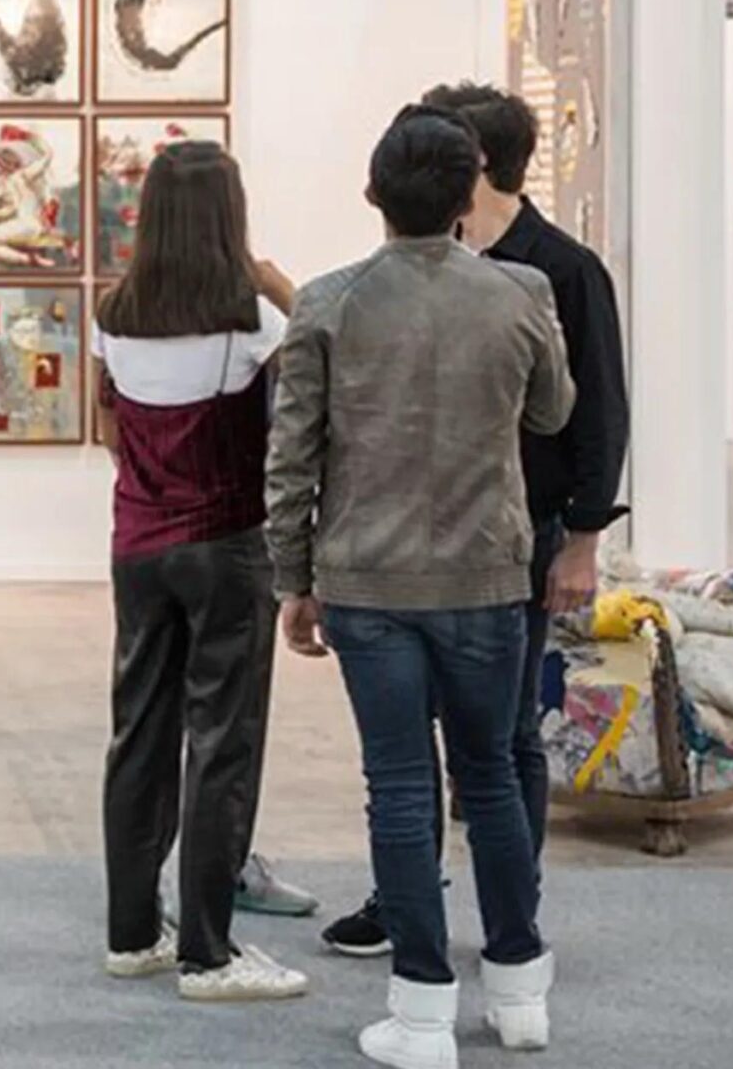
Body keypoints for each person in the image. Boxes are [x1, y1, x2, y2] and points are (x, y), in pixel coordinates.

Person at [268, 106, 574, 1066]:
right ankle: (519, 990)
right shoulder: (521, 291)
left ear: (373, 194)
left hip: (369, 581)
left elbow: (292, 458)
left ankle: (422, 1010)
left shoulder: (328, 302)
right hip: (487, 574)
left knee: (399, 786)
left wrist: (292, 579)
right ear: (466, 197)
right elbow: (554, 410)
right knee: (492, 776)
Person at [321, 85, 629, 962]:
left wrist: (583, 540)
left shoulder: (560, 271)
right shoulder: (417, 263)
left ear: (475, 164)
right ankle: (407, 902)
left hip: (516, 538)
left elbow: (596, 414)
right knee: (404, 749)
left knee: (502, 742)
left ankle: (512, 916)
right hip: (403, 545)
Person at [92, 142, 307, 1003]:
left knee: (137, 735)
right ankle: (210, 954)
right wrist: (278, 281)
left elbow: (109, 429)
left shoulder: (114, 312)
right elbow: (322, 355)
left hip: (137, 547)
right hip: (226, 547)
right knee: (223, 741)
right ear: (229, 215)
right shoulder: (251, 317)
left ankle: (132, 934)